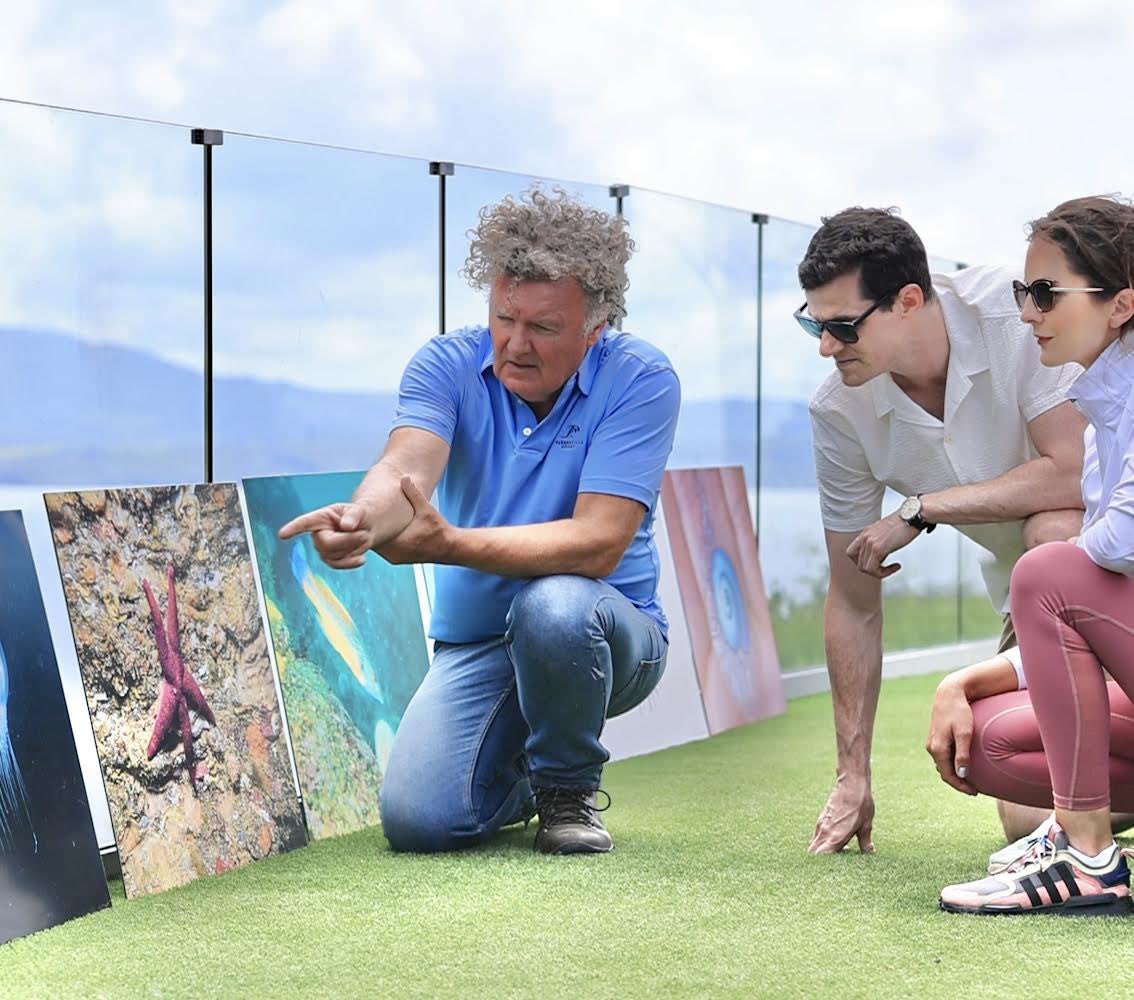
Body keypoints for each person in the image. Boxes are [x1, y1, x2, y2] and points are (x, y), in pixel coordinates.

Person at [279, 187, 680, 855]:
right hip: (479, 645)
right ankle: (517, 774)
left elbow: (599, 543)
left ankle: (567, 792)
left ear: (597, 323)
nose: (514, 345)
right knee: (419, 822)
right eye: (503, 318)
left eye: (544, 328)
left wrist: (451, 545)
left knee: (553, 607)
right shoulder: (445, 363)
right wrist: (362, 519)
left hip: (606, 636)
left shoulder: (641, 378)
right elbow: (406, 468)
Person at [797, 208, 1087, 854]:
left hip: (1104, 561)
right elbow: (851, 598)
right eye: (813, 324)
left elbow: (1072, 475)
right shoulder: (837, 411)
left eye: (842, 326)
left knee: (1054, 532)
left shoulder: (1018, 314)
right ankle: (1091, 806)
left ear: (907, 301)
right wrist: (852, 776)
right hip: (1033, 607)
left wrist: (919, 508)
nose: (825, 346)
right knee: (1024, 812)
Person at [932, 196, 1134, 915]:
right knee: (992, 741)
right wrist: (992, 672)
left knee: (1047, 567)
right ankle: (1079, 843)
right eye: (1024, 291)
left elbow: (1123, 544)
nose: (1028, 312)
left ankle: (1089, 858)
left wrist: (1080, 552)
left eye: (1046, 293)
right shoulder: (1107, 396)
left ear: (1120, 305)